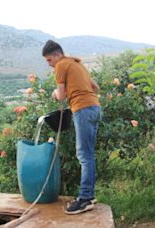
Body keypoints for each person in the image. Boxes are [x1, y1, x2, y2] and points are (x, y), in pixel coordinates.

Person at [42, 40, 102, 215]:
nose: (49, 64)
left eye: (49, 60)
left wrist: (55, 94)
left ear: (57, 55)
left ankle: (85, 199)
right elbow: (95, 87)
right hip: (95, 108)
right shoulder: (78, 64)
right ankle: (88, 196)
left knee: (84, 155)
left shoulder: (61, 65)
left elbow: (60, 96)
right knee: (89, 154)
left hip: (83, 110)